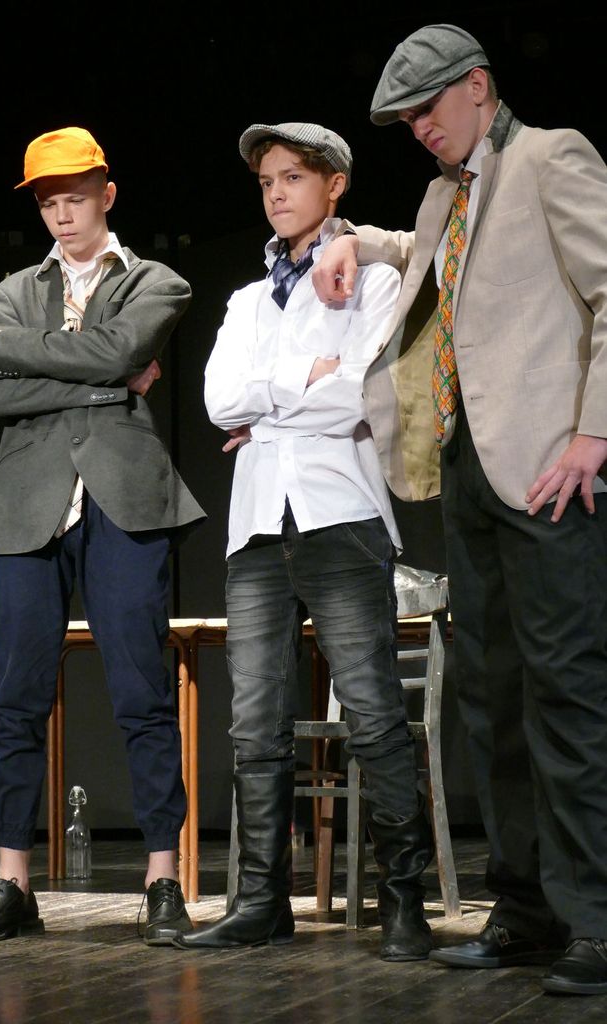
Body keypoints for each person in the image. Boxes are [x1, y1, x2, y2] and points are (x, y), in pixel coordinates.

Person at [313, 24, 607, 997]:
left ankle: (596, 919)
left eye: (428, 108)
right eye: (407, 120)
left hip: (550, 468)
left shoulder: (550, 157)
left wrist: (594, 432)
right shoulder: (448, 192)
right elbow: (430, 257)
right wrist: (354, 238)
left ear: (477, 85)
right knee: (491, 697)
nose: (420, 129)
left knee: (566, 693)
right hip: (470, 469)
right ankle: (523, 910)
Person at [0, 127, 204, 947]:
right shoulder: (13, 290)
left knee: (141, 693)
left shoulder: (154, 280)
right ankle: (13, 883)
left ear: (106, 195)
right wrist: (108, 384)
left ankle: (162, 880)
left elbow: (121, 346)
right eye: (48, 201)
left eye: (74, 198)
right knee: (16, 698)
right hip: (29, 504)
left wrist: (12, 354)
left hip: (124, 502)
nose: (61, 214)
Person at [174, 122, 434, 959]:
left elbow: (360, 394)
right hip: (257, 526)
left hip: (341, 515)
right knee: (254, 724)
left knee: (373, 715)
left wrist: (271, 404)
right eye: (266, 182)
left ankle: (403, 902)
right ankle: (261, 900)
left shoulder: (374, 282)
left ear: (335, 185)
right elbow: (218, 402)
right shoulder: (246, 303)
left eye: (293, 177)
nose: (277, 193)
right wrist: (301, 381)